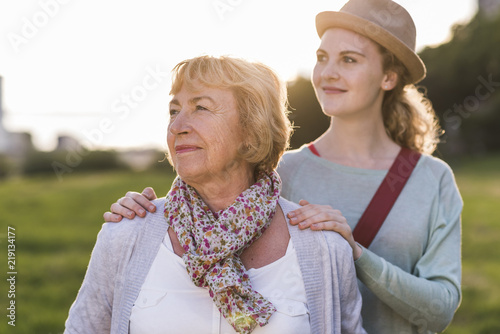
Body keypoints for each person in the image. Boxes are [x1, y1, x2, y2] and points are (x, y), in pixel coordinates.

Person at [103, 0, 463, 333]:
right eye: (322, 57)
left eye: (349, 60)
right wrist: (145, 216)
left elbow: (441, 310)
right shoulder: (280, 174)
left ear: (389, 77)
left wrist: (355, 253)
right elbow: (204, 219)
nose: (328, 73)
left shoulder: (431, 180)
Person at [65, 55, 365, 334]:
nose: (177, 126)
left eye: (201, 108)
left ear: (252, 130)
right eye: (173, 111)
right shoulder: (126, 234)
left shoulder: (323, 248)